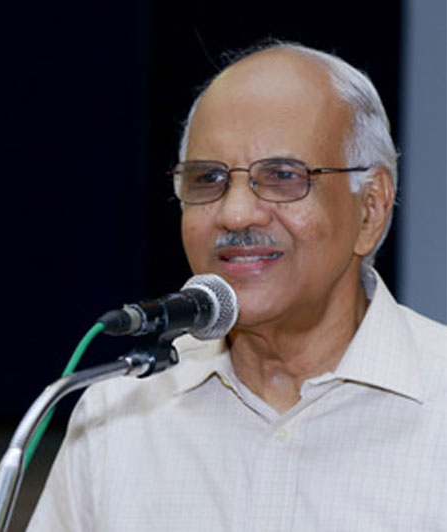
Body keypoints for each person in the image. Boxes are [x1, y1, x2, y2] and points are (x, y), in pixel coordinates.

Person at [28, 42, 446, 531]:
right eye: (209, 178)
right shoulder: (118, 412)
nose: (236, 213)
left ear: (370, 209)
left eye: (283, 176)